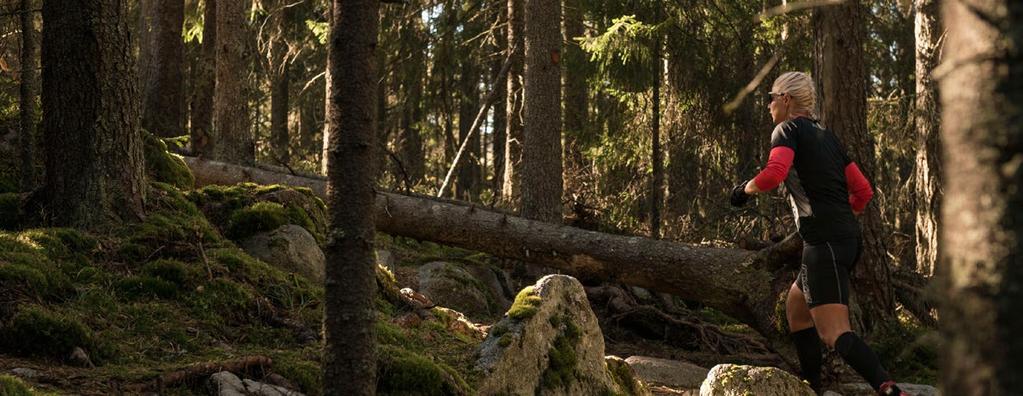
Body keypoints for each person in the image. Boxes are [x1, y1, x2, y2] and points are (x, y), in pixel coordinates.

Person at [729, 71, 907, 396]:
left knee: (835, 333)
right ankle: (813, 388)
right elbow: (863, 191)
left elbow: (774, 174)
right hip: (848, 240)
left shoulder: (786, 130)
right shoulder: (827, 137)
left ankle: (890, 389)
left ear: (786, 100)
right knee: (797, 308)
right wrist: (838, 220)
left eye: (771, 97)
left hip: (823, 243)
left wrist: (744, 191)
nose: (768, 104)